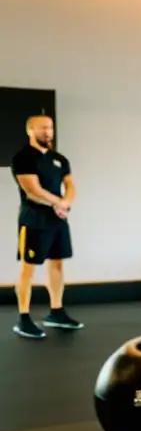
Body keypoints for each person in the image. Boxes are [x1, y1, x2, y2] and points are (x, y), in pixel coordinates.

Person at [11, 115, 83, 339]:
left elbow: (70, 186)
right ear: (30, 130)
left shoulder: (59, 159)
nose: (48, 132)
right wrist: (58, 203)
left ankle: (56, 311)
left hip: (57, 220)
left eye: (50, 128)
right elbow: (33, 190)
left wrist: (66, 203)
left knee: (57, 265)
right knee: (28, 269)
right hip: (33, 221)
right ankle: (23, 318)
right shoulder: (23, 158)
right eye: (42, 128)